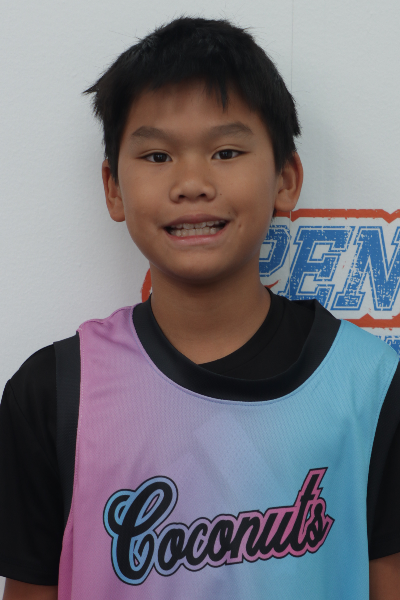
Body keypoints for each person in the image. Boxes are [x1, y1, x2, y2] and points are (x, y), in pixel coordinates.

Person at [0, 16, 399, 600]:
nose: (191, 182)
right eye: (157, 156)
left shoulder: (371, 385)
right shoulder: (55, 393)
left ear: (286, 179)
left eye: (226, 151)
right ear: (113, 188)